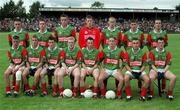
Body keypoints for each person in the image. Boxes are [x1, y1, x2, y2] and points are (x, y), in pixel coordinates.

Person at [147, 19, 168, 92]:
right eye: (156, 23)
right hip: (152, 55)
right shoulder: (150, 33)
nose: (158, 24)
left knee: (163, 70)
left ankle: (163, 88)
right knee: (151, 71)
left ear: (161, 24)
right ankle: (149, 87)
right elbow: (148, 44)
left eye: (159, 23)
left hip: (162, 55)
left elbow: (166, 44)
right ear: (154, 24)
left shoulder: (164, 33)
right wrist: (151, 52)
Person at [122, 19, 145, 90]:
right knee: (128, 69)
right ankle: (126, 87)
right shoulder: (126, 33)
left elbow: (142, 44)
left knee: (138, 66)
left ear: (137, 25)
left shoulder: (141, 33)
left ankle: (140, 86)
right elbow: (124, 43)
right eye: (132, 24)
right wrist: (127, 51)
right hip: (129, 54)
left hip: (138, 52)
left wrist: (139, 50)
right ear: (130, 25)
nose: (133, 26)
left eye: (135, 24)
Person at [33, 18, 53, 88]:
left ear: (45, 25)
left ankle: (50, 83)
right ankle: (37, 84)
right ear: (38, 25)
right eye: (40, 24)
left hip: (47, 55)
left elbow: (51, 44)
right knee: (38, 69)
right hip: (38, 55)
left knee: (49, 69)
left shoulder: (49, 34)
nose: (42, 25)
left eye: (43, 24)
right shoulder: (35, 34)